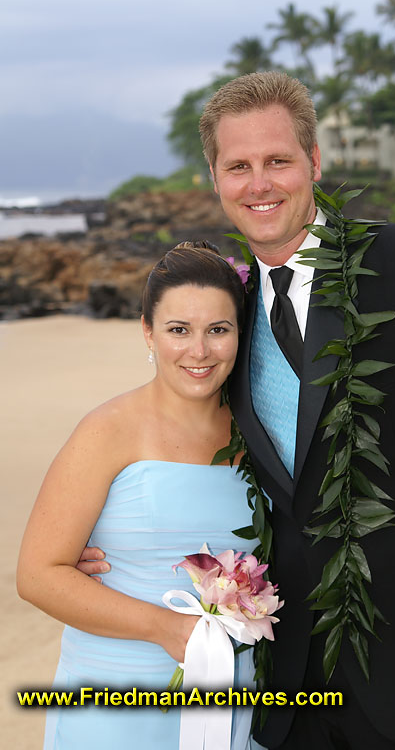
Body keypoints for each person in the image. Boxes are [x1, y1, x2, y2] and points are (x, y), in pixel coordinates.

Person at [81, 71, 395, 749]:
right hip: (289, 681)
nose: (258, 184)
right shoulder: (227, 318)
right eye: (238, 166)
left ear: (314, 163)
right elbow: (204, 449)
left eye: (278, 161)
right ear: (215, 178)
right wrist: (114, 539)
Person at [17, 242, 263, 750]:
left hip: (239, 695)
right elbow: (37, 574)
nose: (199, 351)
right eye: (179, 330)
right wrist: (164, 628)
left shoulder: (260, 434)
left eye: (218, 330)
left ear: (240, 334)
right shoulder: (107, 431)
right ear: (148, 331)